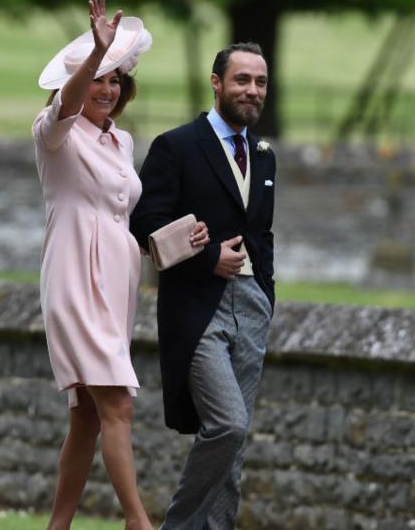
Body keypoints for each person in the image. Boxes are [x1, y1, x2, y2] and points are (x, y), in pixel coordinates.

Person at [33, 0, 207, 530]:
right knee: (118, 407)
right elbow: (63, 105)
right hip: (73, 280)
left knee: (87, 418)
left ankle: (57, 527)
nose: (106, 89)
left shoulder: (121, 140)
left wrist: (180, 240)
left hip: (116, 285)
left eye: (114, 80)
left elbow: (126, 218)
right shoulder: (53, 133)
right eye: (97, 80)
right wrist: (94, 55)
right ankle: (139, 522)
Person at [129, 42, 276, 529]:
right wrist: (208, 257)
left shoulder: (264, 154)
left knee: (234, 444)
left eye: (259, 82)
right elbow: (144, 222)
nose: (251, 90)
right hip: (197, 308)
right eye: (241, 80)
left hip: (252, 306)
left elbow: (262, 233)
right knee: (227, 424)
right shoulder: (176, 146)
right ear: (216, 83)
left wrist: (266, 294)